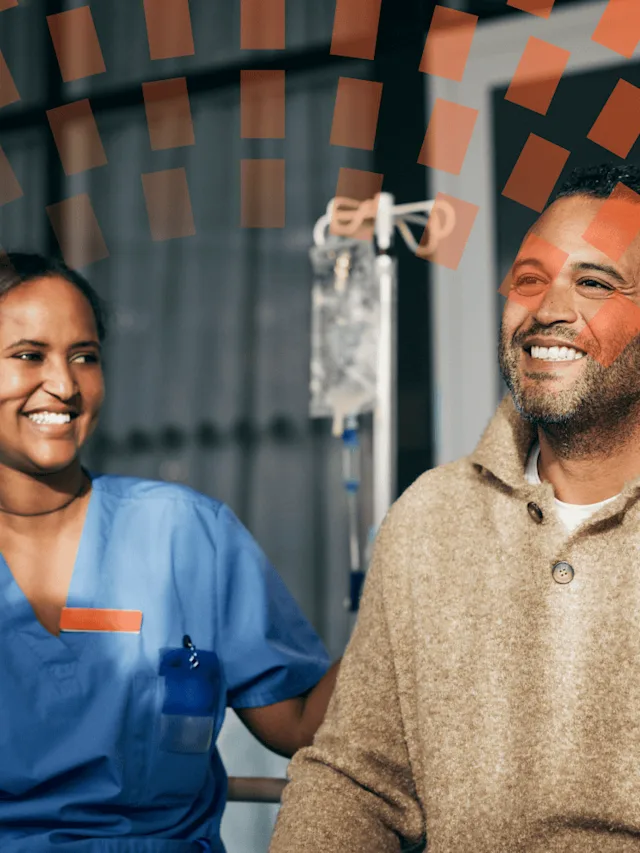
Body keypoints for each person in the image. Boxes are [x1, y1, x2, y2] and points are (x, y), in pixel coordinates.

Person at [268, 162, 640, 853]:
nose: (546, 309)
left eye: (592, 282)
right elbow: (356, 776)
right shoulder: (430, 519)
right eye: (528, 279)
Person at [0, 252, 338, 853]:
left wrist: (413, 581)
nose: (65, 385)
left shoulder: (185, 532)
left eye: (85, 357)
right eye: (29, 355)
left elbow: (299, 725)